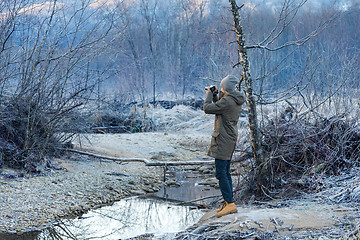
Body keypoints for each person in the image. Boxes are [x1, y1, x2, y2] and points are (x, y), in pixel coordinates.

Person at [203, 75, 245, 218]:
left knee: (221, 173)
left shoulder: (228, 101)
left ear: (226, 88)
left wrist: (209, 95)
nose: (220, 89)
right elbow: (219, 108)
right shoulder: (232, 99)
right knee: (225, 172)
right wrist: (216, 96)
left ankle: (230, 204)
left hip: (224, 139)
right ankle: (228, 203)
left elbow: (208, 108)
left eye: (222, 87)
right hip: (228, 138)